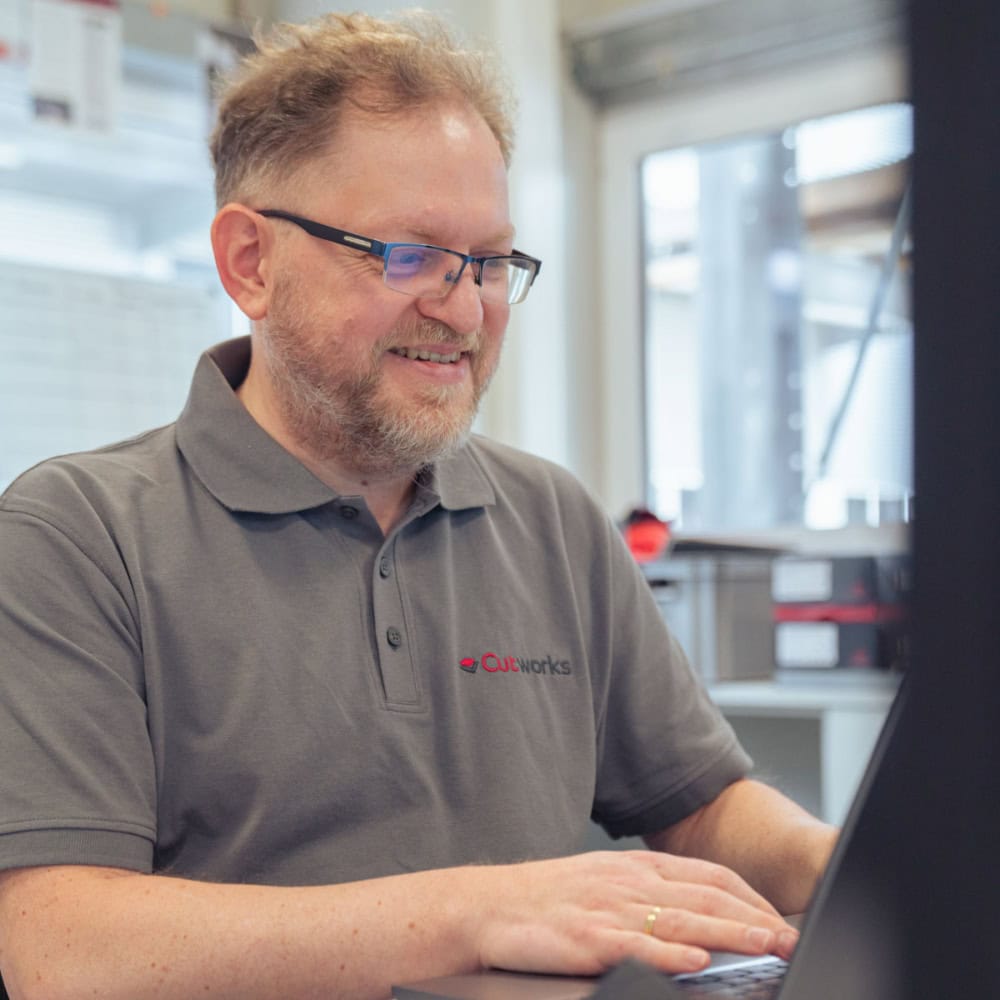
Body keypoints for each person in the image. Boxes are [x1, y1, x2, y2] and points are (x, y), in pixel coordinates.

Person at [0, 11, 836, 1000]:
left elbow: (698, 806)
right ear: (250, 264)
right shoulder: (76, 536)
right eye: (410, 255)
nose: (465, 308)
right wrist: (478, 912)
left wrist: (855, 865)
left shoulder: (553, 520)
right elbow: (62, 947)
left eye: (490, 262)